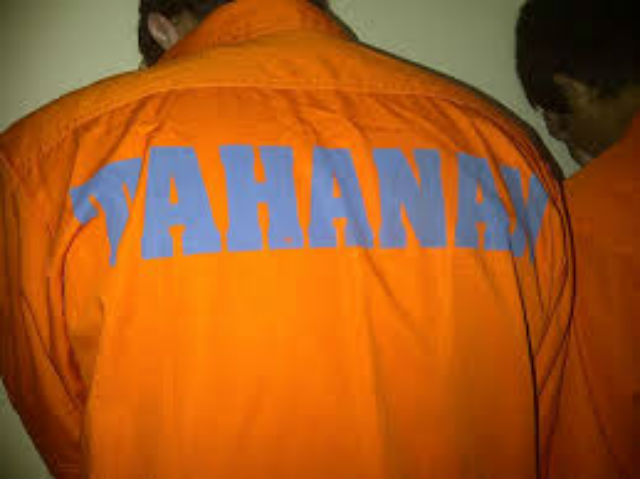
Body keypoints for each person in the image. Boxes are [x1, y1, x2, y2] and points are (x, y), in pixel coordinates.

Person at [1, 0, 572, 477]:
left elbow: (69, 437)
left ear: (162, 27)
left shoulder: (45, 163)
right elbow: (539, 408)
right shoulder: (507, 150)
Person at [517, 0, 640, 476]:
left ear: (572, 89)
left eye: (551, 113)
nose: (553, 131)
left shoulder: (578, 219)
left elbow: (590, 431)